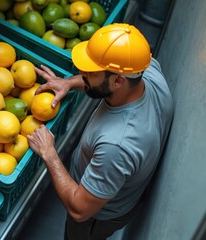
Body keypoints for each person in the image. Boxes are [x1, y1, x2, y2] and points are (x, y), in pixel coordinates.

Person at [27, 23, 174, 239]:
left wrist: (49, 153)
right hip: (115, 186)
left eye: (90, 72)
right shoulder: (146, 70)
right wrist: (68, 83)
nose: (81, 73)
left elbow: (79, 210)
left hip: (95, 218)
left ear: (118, 81)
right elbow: (103, 80)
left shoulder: (117, 145)